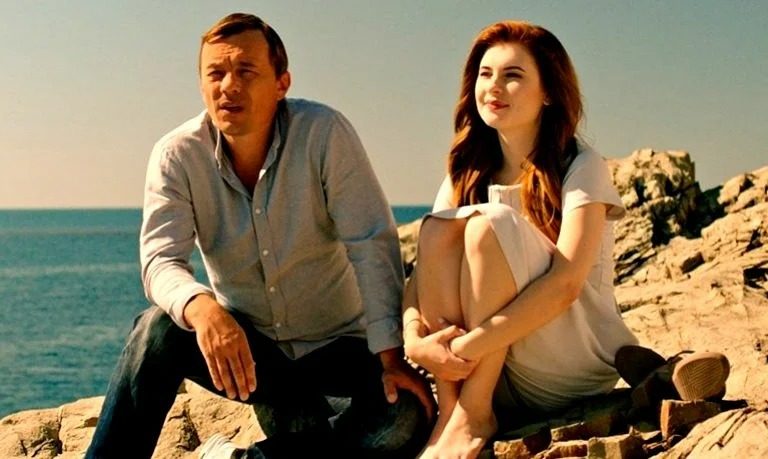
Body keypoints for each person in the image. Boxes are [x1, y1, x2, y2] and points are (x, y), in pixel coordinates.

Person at [86, 13, 433, 459]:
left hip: (341, 351)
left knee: (403, 418)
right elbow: (160, 261)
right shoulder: (176, 155)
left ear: (281, 83)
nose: (228, 86)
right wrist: (203, 308)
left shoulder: (324, 134)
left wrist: (390, 358)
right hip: (252, 360)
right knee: (156, 330)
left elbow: (371, 244)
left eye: (246, 71)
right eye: (215, 73)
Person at [401, 20, 641, 459]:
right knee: (438, 228)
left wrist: (464, 347)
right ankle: (452, 412)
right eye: (485, 74)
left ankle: (473, 415)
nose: (494, 87)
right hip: (490, 373)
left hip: (564, 366)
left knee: (487, 223)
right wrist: (416, 341)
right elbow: (421, 279)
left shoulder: (581, 165)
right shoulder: (466, 172)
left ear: (548, 92)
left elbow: (567, 284)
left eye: (513, 75)